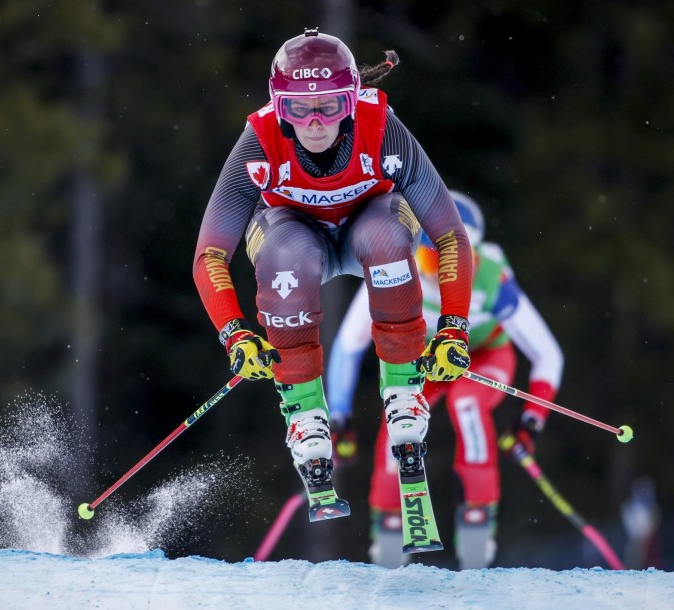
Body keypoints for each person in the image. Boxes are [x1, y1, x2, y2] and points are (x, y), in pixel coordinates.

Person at [192, 28, 474, 518]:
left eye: (331, 106)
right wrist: (234, 334)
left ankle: (405, 393)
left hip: (372, 224)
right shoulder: (257, 141)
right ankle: (304, 415)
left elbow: (449, 236)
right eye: (299, 109)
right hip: (295, 235)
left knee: (385, 241)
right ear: (279, 107)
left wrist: (454, 328)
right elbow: (209, 255)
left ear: (352, 100)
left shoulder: (380, 125)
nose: (316, 122)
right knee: (286, 258)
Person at [326, 192, 564, 568]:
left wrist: (532, 420)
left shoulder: (489, 278)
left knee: (467, 402)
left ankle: (476, 517)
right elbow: (347, 346)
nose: (433, 275)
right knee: (400, 413)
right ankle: (389, 521)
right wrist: (338, 415)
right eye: (423, 258)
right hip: (428, 364)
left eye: (444, 262)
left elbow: (547, 354)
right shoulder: (395, 270)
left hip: (484, 358)